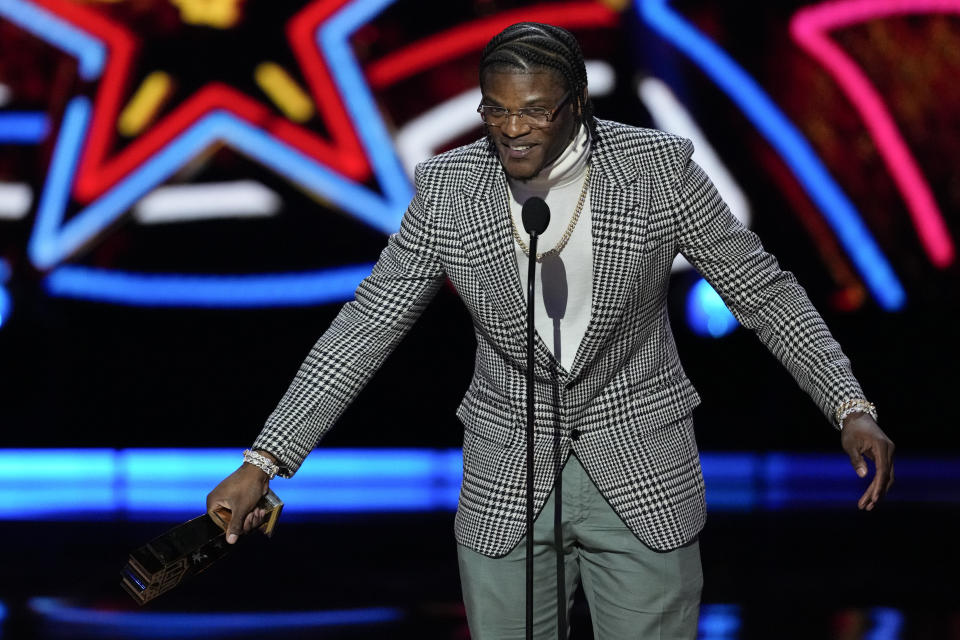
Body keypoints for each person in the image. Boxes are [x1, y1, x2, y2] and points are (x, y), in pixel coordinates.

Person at [207, 22, 895, 639]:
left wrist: (848, 405)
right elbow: (367, 326)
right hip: (508, 480)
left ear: (576, 107)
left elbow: (763, 290)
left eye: (534, 111)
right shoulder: (451, 188)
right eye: (497, 111)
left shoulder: (655, 170)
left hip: (642, 476)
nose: (512, 129)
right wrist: (264, 460)